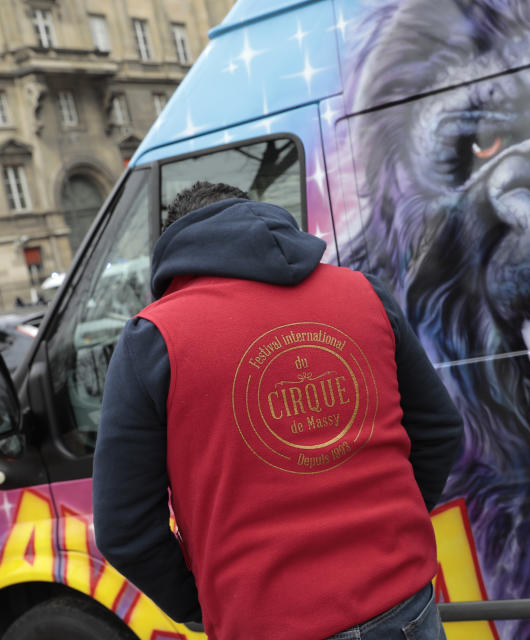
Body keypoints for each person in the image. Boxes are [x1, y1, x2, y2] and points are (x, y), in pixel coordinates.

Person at [93, 181, 463, 639]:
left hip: (267, 623)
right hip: (404, 607)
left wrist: (204, 603)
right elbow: (441, 431)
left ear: (177, 250)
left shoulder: (152, 339)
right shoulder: (364, 293)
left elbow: (122, 528)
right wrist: (394, 535)